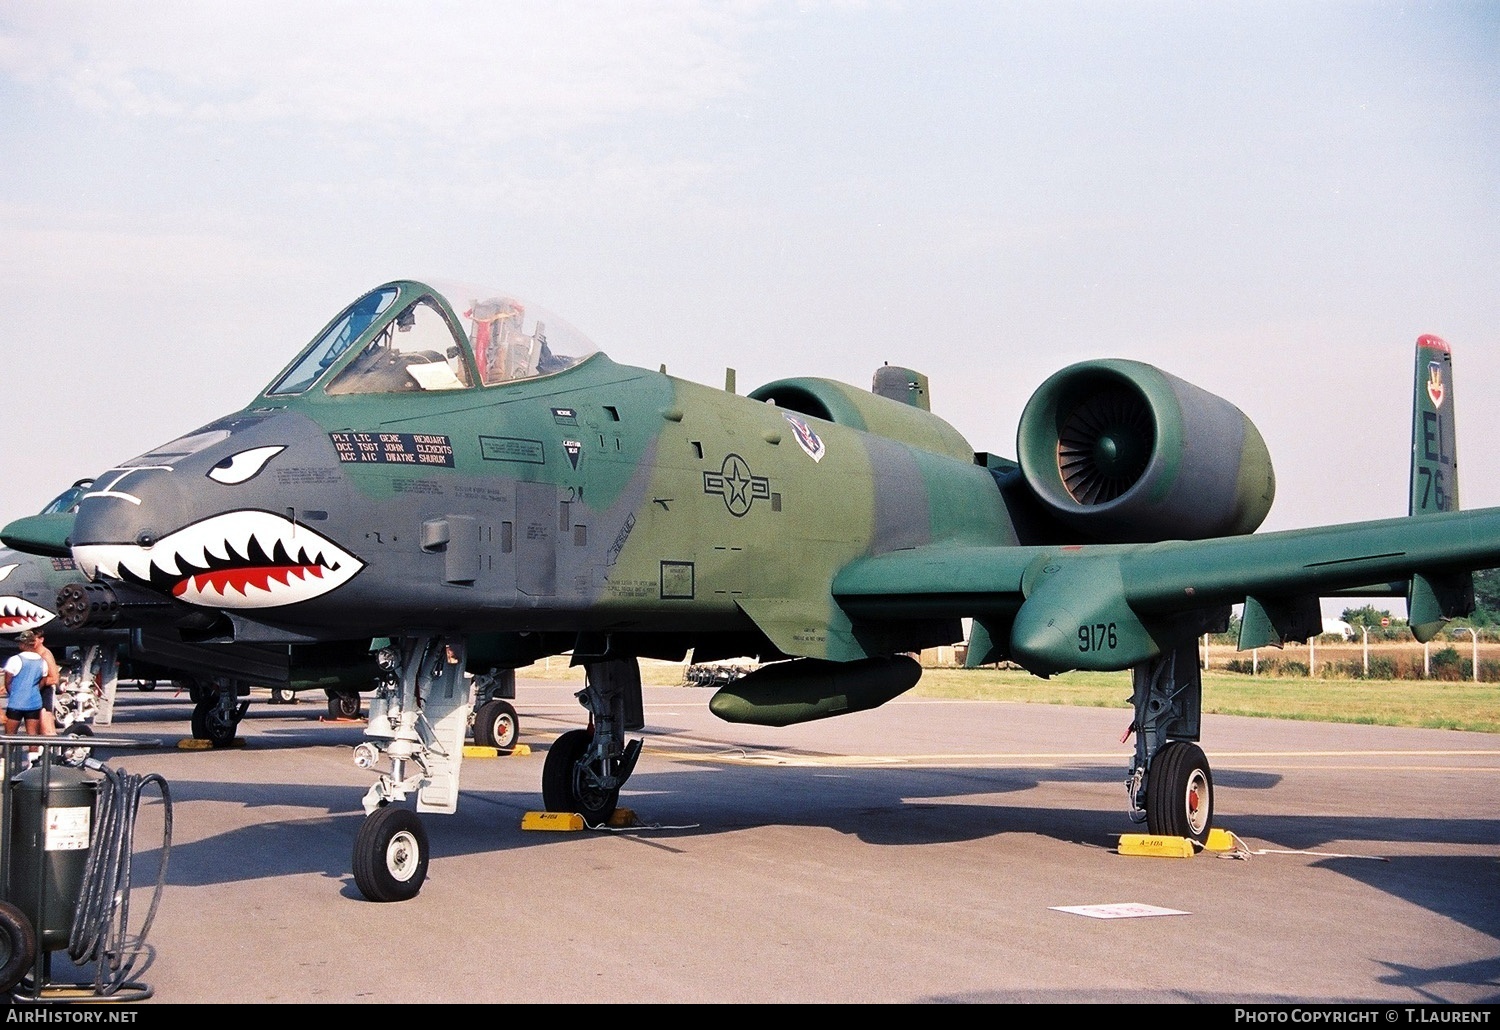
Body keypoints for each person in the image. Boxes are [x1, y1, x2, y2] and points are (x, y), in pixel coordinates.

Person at [2, 630, 48, 760]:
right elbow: (42, 681)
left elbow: (8, 682)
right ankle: (32, 763)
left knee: (9, 736)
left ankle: (4, 765)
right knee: (32, 735)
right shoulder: (42, 661)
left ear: (22, 644)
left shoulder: (15, 660)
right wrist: (31, 691)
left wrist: (16, 693)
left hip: (16, 702)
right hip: (34, 702)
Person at [32, 628, 60, 737]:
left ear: (41, 639)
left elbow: (54, 678)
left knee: (45, 721)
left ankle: (54, 750)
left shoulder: (46, 654)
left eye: (34, 640)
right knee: (35, 724)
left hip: (45, 691)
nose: (32, 643)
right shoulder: (30, 652)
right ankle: (38, 752)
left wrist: (35, 682)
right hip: (34, 691)